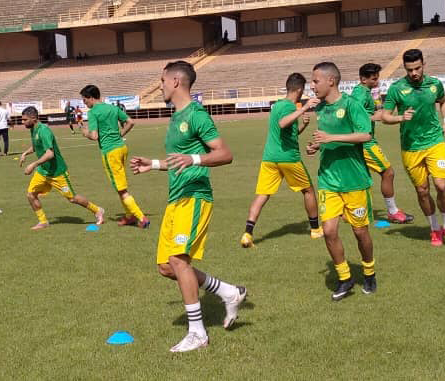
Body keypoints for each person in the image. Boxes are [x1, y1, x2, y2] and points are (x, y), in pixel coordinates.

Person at [130, 60, 246, 353]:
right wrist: (153, 164)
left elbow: (225, 153)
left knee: (180, 262)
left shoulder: (196, 115)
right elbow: (179, 159)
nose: (160, 85)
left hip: (195, 197)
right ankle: (229, 292)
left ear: (176, 82)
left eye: (162, 80)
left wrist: (195, 160)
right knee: (166, 267)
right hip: (175, 197)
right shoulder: (175, 118)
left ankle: (198, 333)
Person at [305, 62, 377, 301]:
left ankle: (369, 271)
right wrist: (316, 145)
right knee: (329, 231)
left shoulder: (350, 104)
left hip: (354, 180)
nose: (312, 85)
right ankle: (345, 277)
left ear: (331, 81)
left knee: (360, 232)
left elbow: (366, 134)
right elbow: (326, 140)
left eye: (315, 81)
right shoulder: (320, 109)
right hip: (328, 179)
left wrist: (330, 137)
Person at [381, 49, 445, 248]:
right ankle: (435, 228)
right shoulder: (396, 88)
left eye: (417, 68)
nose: (414, 73)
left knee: (441, 185)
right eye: (409, 70)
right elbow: (384, 115)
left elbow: (443, 101)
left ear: (423, 64)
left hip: (435, 142)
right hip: (411, 147)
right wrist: (400, 118)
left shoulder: (435, 84)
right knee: (422, 190)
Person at [241, 72, 320, 248]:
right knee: (308, 191)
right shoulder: (290, 106)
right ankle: (315, 230)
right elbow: (283, 124)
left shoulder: (277, 105)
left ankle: (247, 233)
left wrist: (303, 125)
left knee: (262, 195)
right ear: (299, 89)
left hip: (269, 158)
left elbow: (287, 134)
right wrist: (304, 108)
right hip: (288, 158)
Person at [19, 106, 105, 230]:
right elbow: (36, 146)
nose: (23, 122)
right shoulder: (33, 129)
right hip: (43, 172)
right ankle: (43, 221)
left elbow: (50, 153)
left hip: (57, 172)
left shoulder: (44, 130)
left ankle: (97, 210)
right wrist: (25, 153)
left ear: (33, 118)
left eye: (24, 120)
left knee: (72, 198)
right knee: (31, 194)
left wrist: (33, 164)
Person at [349, 64, 413, 224]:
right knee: (388, 173)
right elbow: (355, 115)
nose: (377, 80)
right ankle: (392, 212)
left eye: (377, 77)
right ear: (363, 79)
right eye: (374, 78)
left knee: (361, 177)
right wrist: (378, 116)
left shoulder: (362, 92)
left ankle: (350, 210)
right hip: (366, 143)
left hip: (363, 140)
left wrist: (378, 110)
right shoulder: (360, 94)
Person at [79, 85, 149, 228]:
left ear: (91, 97)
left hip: (110, 152)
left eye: (85, 100)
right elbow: (130, 122)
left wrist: (84, 131)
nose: (84, 103)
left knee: (122, 190)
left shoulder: (93, 113)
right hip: (122, 148)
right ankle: (129, 216)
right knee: (120, 186)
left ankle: (141, 218)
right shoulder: (112, 108)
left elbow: (94, 136)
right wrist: (120, 135)